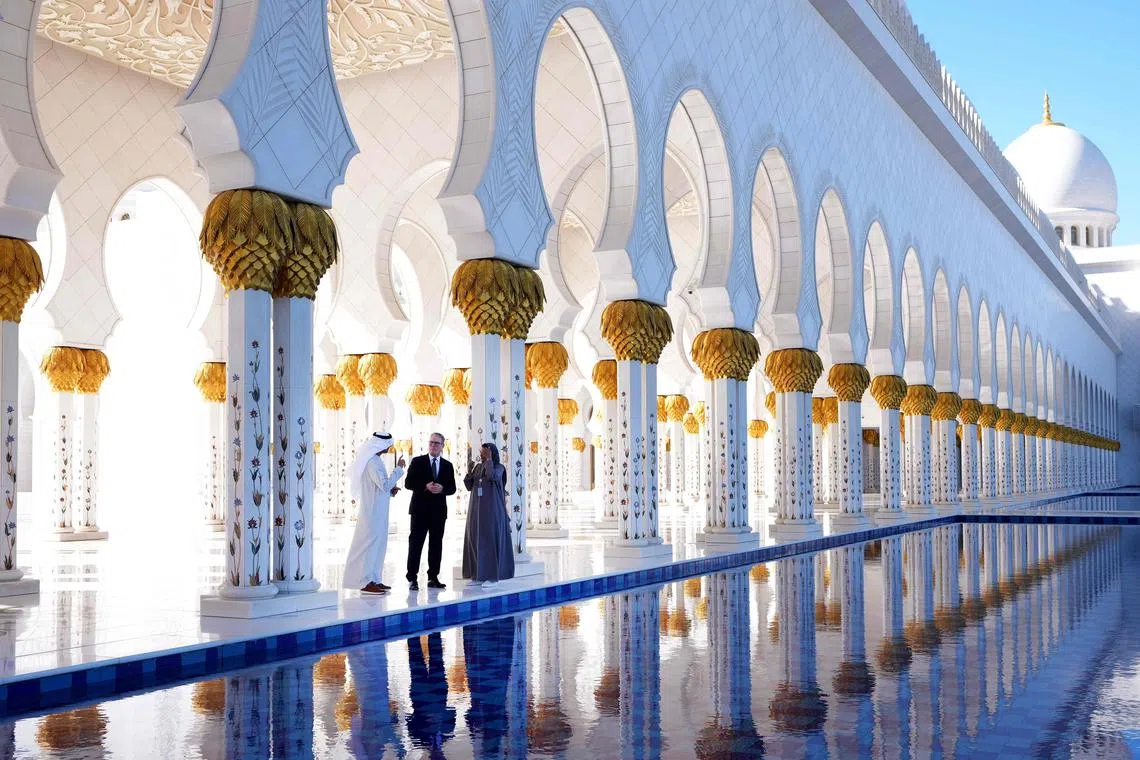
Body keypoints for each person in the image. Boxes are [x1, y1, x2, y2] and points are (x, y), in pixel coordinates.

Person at [343, 432, 405, 594]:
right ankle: (365, 581)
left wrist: (392, 491)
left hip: (379, 510)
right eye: (388, 445)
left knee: (379, 544)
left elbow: (381, 487)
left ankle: (375, 579)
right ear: (381, 445)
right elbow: (384, 485)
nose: (390, 447)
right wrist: (399, 469)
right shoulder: (372, 462)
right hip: (372, 512)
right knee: (370, 545)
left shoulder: (376, 460)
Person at [404, 432, 456, 590]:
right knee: (416, 544)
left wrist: (442, 489)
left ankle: (433, 577)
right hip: (419, 511)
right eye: (431, 442)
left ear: (442, 446)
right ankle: (412, 578)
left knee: (436, 545)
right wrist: (424, 486)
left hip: (438, 512)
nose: (433, 445)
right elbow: (408, 483)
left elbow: (452, 488)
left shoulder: (447, 465)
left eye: (436, 443)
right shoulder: (418, 461)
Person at [461, 442, 515, 588]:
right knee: (475, 539)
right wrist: (469, 471)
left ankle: (492, 577)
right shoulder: (479, 467)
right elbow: (468, 486)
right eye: (482, 453)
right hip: (476, 510)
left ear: (492, 453)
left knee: (489, 541)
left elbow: (492, 477)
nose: (482, 456)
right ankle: (478, 575)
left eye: (485, 453)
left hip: (492, 510)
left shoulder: (499, 467)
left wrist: (490, 461)